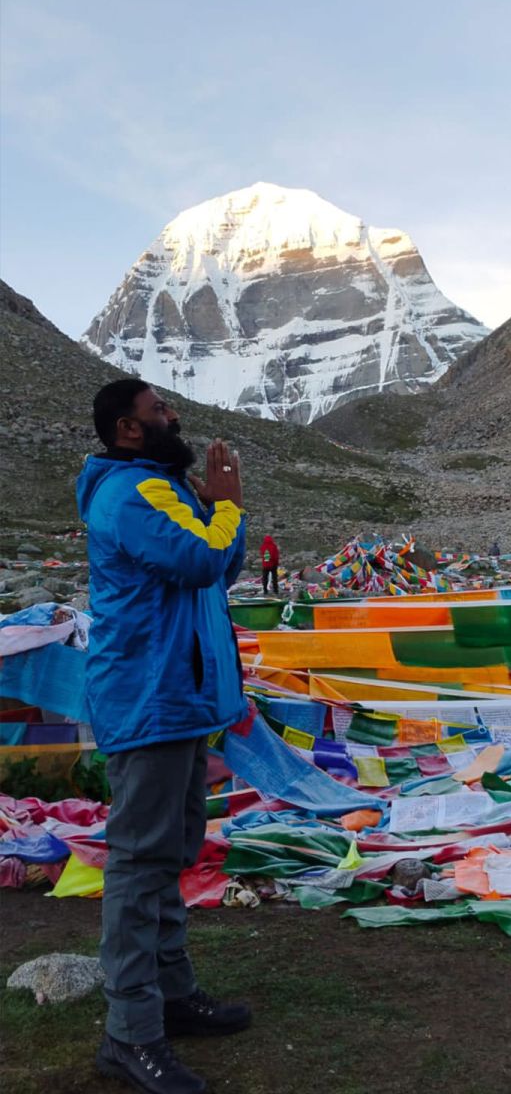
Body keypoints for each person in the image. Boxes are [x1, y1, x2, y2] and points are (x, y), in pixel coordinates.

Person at [76, 379, 251, 1094]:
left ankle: (171, 995)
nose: (172, 416)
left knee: (171, 853)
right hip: (149, 699)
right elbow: (201, 559)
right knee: (140, 862)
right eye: (158, 410)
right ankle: (130, 1032)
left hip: (179, 699)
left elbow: (220, 570)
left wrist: (218, 510)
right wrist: (227, 505)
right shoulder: (131, 494)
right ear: (128, 428)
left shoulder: (162, 488)